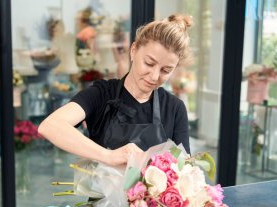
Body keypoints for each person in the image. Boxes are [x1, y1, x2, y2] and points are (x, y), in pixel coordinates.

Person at [39, 14, 193, 167]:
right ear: (133, 50)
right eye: (149, 63)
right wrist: (108, 156)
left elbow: (185, 170)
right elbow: (50, 126)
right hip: (102, 192)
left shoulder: (174, 108)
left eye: (165, 70)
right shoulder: (102, 94)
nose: (154, 76)